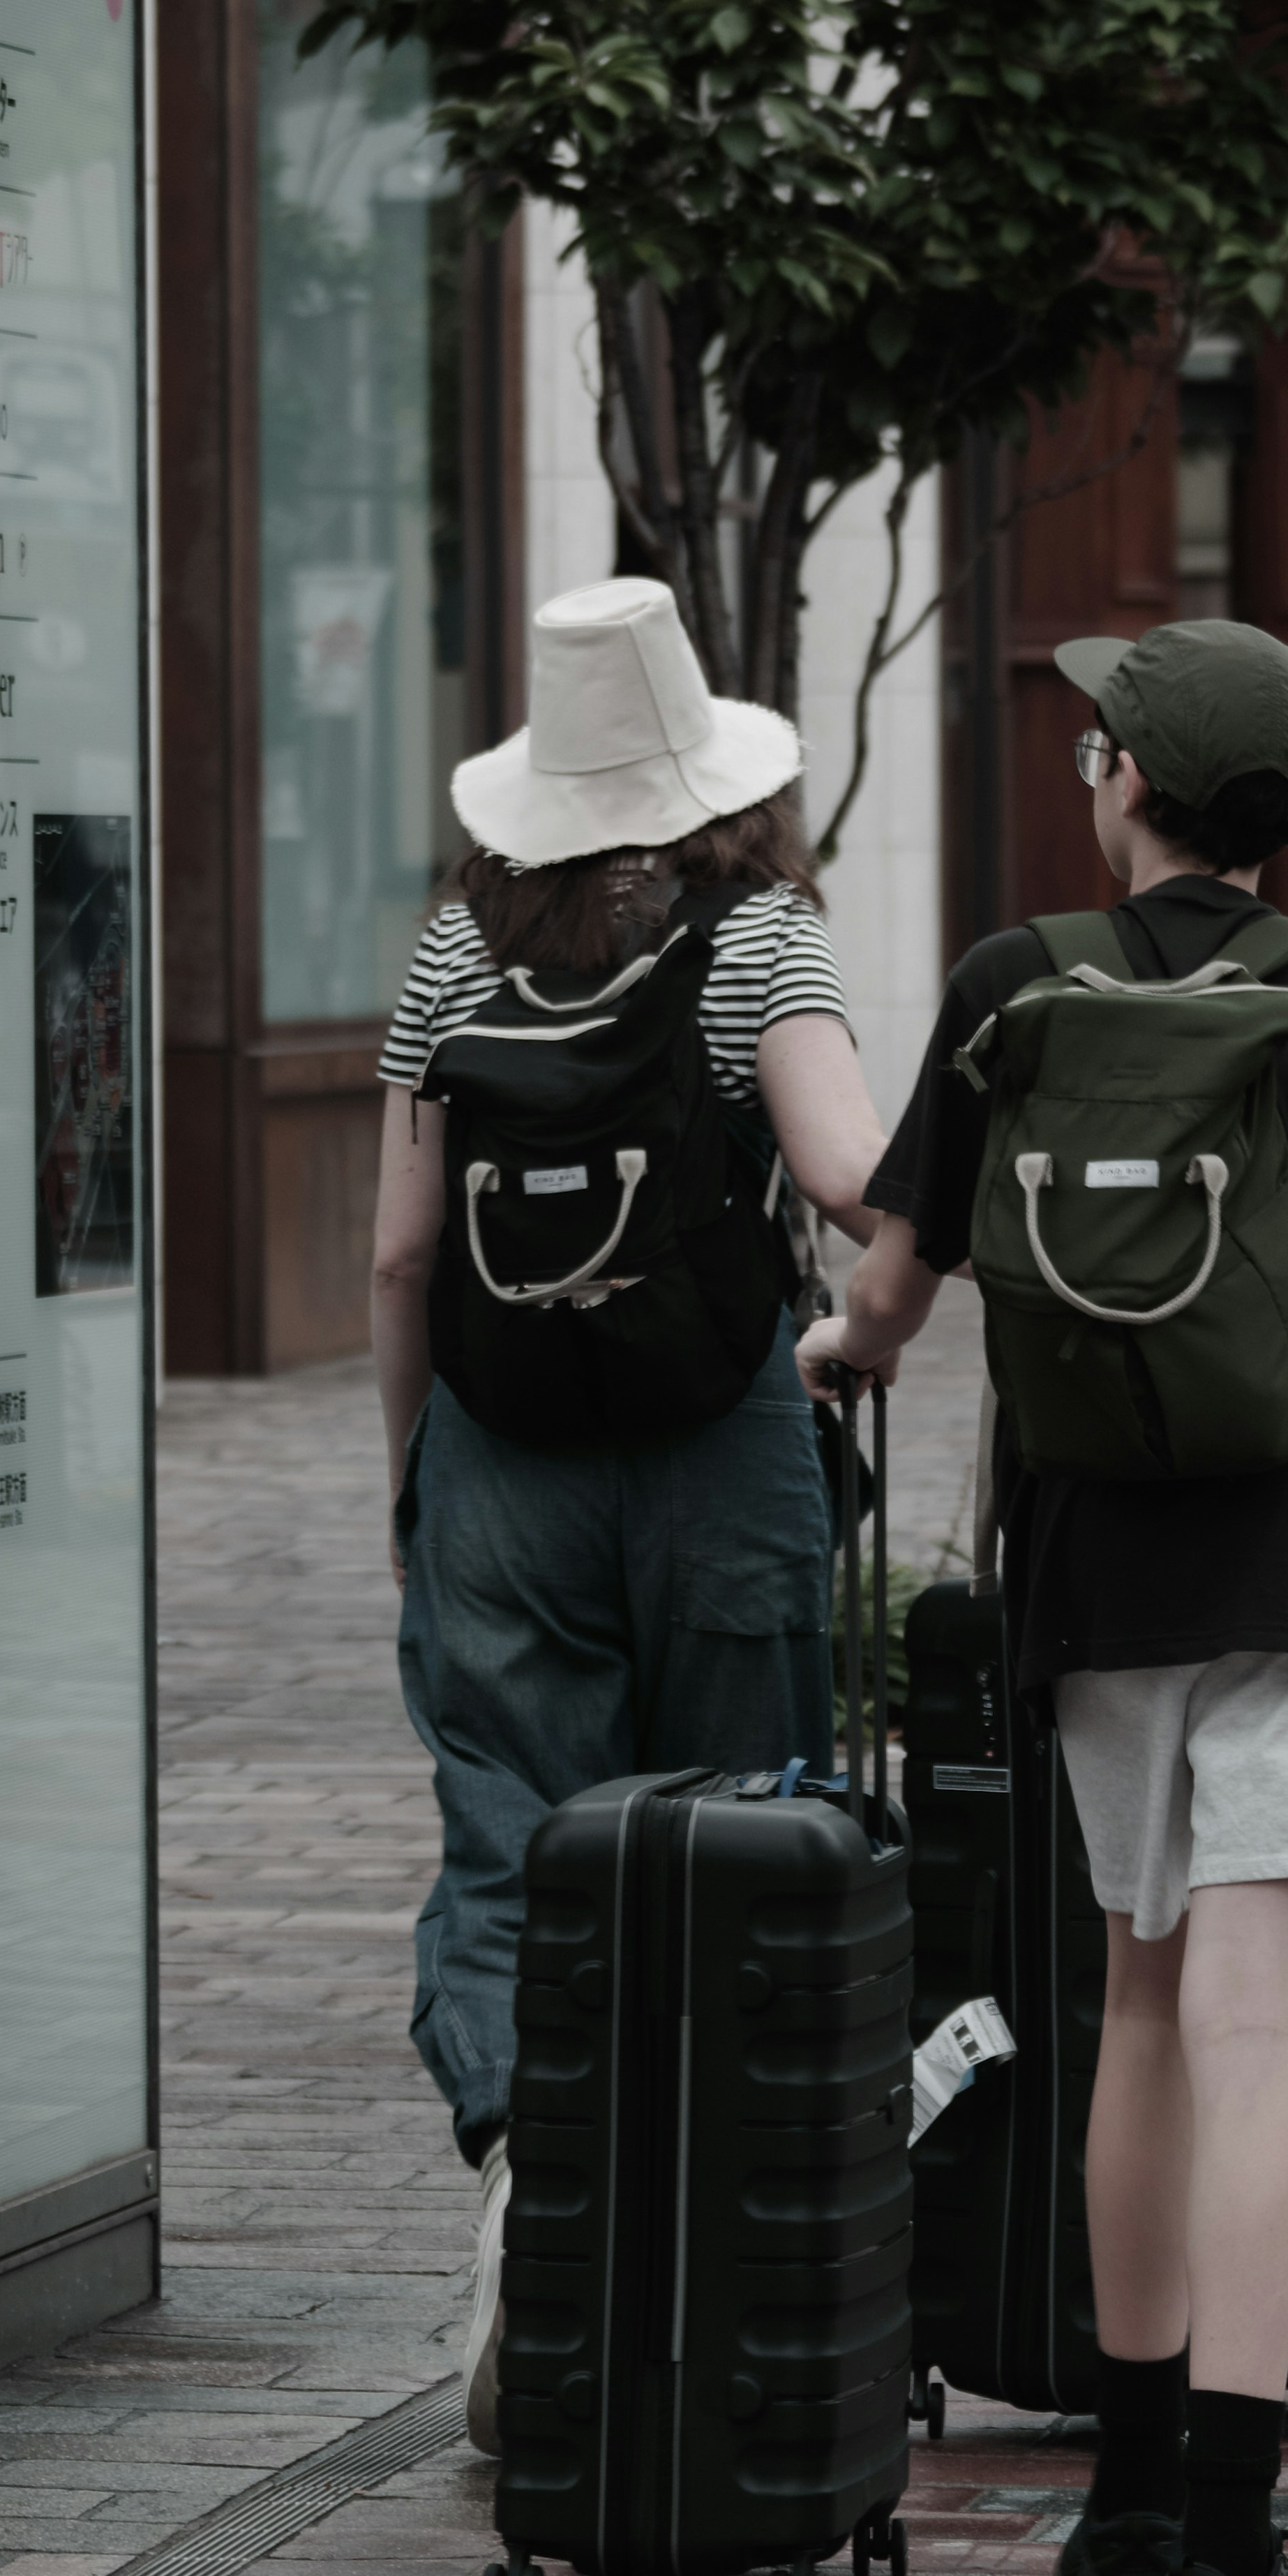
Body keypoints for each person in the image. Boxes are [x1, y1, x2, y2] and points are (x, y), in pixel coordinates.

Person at [799, 617, 1288, 2576]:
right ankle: (1229, 2563)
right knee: (1264, 2034)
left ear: (1122, 781)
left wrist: (842, 1353)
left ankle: (1120, 2501)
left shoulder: (1017, 987)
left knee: (1143, 2003)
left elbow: (892, 1288)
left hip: (1093, 1576)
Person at [369, 578, 891, 2450]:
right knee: (745, 1835)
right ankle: (722, 2269)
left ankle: (531, 2172)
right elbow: (848, 1177)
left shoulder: (451, 964)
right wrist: (875, 1307)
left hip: (502, 1457)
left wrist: (417, 1484)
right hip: (719, 1448)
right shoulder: (764, 948)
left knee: (514, 1843)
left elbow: (405, 1252)